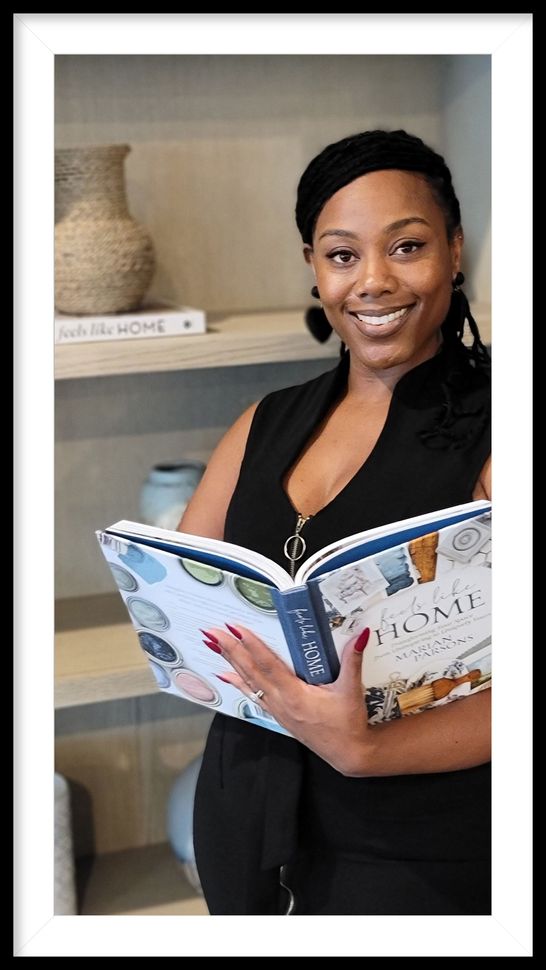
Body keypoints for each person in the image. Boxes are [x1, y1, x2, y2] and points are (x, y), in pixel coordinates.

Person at [178, 129, 492, 916]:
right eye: (343, 255)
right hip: (243, 815)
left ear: (455, 252)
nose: (374, 282)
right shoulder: (264, 422)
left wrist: (365, 748)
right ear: (315, 269)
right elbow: (185, 602)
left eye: (408, 246)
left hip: (417, 848)